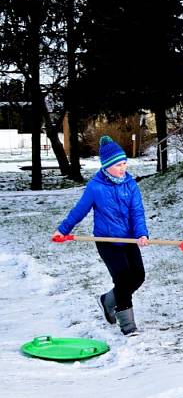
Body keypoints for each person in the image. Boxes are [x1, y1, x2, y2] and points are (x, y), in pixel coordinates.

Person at [52, 135, 148, 335]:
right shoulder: (95, 187)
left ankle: (108, 300)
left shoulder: (130, 184)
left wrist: (141, 233)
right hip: (107, 241)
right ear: (107, 166)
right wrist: (63, 230)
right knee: (122, 278)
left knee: (138, 276)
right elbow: (79, 210)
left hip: (129, 238)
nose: (123, 168)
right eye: (119, 165)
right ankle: (128, 326)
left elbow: (137, 212)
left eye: (125, 164)